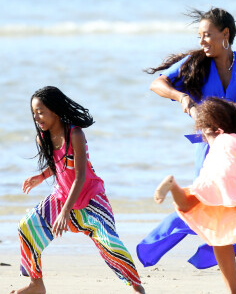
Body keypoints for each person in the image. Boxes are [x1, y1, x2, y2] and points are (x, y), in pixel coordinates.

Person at [137, 7, 236, 294]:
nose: (202, 41)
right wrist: (181, 97)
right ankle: (234, 291)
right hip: (210, 151)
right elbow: (157, 83)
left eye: (207, 35)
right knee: (218, 218)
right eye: (199, 36)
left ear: (225, 34)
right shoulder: (195, 63)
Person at [11, 86, 145, 294]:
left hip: (91, 197)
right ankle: (36, 284)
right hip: (62, 196)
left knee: (109, 243)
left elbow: (80, 175)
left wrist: (65, 211)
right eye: (34, 112)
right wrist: (41, 176)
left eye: (40, 111)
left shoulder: (75, 133)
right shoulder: (43, 137)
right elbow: (60, 165)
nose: (37, 117)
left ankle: (136, 286)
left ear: (54, 110)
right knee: (26, 227)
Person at [154, 97, 236, 293]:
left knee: (188, 205)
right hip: (227, 170)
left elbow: (198, 116)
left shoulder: (213, 134)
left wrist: (190, 105)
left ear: (214, 126)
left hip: (212, 169)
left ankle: (173, 186)